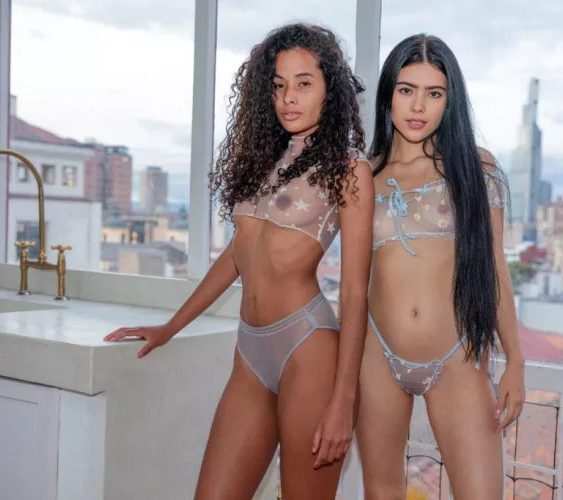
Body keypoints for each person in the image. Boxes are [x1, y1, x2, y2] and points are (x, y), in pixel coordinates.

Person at [104, 23, 374, 499]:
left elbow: (354, 293)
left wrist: (343, 400)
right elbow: (237, 254)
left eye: (303, 83)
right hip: (250, 351)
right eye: (278, 85)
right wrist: (171, 326)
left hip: (309, 348)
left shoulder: (349, 171)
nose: (288, 97)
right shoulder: (265, 162)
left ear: (330, 90)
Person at [355, 34, 525, 499]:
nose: (418, 106)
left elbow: (496, 270)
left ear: (451, 101)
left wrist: (515, 360)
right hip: (376, 354)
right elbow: (350, 279)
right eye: (406, 90)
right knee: (381, 492)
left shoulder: (475, 169)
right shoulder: (365, 175)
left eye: (434, 93)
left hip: (457, 357)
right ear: (388, 93)